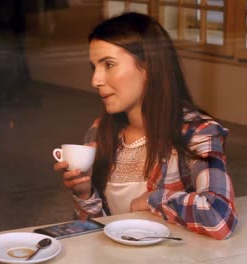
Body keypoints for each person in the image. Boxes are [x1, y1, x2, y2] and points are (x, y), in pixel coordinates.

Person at [54, 12, 237, 240]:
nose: (95, 80)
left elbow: (219, 216)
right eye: (94, 67)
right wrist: (84, 194)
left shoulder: (197, 132)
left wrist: (155, 199)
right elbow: (95, 235)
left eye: (109, 64)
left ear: (148, 67)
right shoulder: (100, 130)